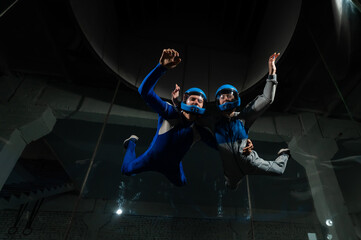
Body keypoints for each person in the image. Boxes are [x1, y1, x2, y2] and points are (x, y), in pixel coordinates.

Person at [121, 49, 208, 187]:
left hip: (172, 165)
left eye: (199, 101)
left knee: (182, 183)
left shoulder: (201, 127)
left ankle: (175, 159)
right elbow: (144, 91)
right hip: (151, 159)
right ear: (185, 102)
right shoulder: (169, 111)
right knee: (126, 170)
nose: (196, 102)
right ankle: (131, 143)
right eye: (193, 99)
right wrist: (160, 68)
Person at [213, 52, 290, 190]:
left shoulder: (243, 117)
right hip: (231, 171)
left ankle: (284, 154)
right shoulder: (214, 123)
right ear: (218, 101)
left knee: (279, 170)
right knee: (231, 186)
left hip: (250, 162)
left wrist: (272, 74)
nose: (226, 99)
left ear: (235, 100)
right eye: (222, 97)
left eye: (229, 97)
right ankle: (232, 183)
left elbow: (266, 99)